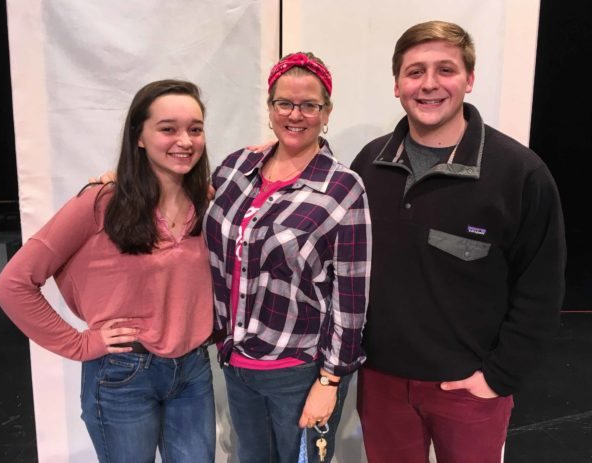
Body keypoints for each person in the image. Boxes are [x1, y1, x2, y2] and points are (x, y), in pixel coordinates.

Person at [351, 20, 567, 463]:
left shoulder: (520, 174)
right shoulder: (368, 165)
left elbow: (541, 289)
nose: (429, 85)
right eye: (415, 72)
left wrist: (497, 378)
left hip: (469, 389)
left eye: (445, 70)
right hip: (381, 383)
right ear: (397, 85)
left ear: (469, 79)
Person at [0, 80, 216, 462]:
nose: (185, 140)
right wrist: (80, 344)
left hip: (193, 371)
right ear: (139, 137)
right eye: (168, 129)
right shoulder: (100, 202)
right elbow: (13, 283)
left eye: (194, 129)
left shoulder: (207, 200)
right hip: (123, 374)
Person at [203, 52, 371, 463]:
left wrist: (330, 381)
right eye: (285, 103)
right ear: (270, 107)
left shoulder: (343, 189)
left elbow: (351, 297)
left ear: (326, 112)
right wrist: (124, 176)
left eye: (309, 105)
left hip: (299, 371)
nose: (296, 115)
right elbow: (181, 205)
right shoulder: (235, 168)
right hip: (237, 364)